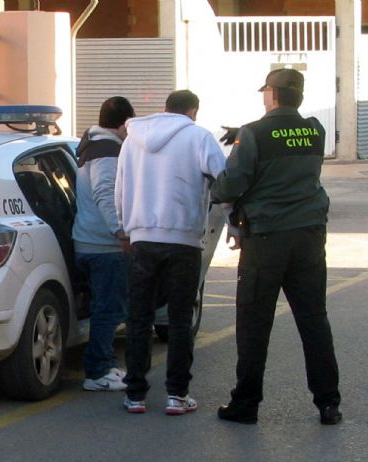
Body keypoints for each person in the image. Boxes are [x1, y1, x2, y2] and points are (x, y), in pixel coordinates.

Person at [211, 68, 342, 425]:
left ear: (272, 94)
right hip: (309, 235)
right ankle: (328, 403)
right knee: (314, 319)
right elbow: (287, 150)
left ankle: (246, 404)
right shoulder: (315, 129)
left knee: (254, 323)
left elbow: (233, 183)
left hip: (267, 238)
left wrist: (217, 187)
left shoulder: (253, 133)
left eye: (265, 92)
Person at [115, 90, 227, 414]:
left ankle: (135, 395)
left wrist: (126, 228)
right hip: (184, 242)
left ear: (165, 109)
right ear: (193, 111)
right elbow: (224, 181)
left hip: (141, 240)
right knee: (179, 319)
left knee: (139, 318)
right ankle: (177, 396)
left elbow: (119, 189)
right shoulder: (199, 137)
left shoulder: (132, 140)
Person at [72, 96, 135, 392]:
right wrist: (120, 231)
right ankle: (98, 371)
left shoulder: (89, 145)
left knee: (104, 307)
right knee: (108, 310)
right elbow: (105, 192)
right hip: (103, 245)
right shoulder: (108, 152)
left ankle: (106, 364)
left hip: (88, 240)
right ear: (123, 124)